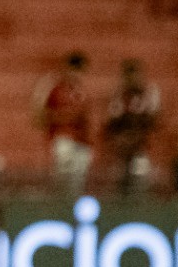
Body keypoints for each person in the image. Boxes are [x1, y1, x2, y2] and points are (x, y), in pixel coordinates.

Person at [32, 51, 93, 193]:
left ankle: (72, 209)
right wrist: (63, 117)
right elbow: (40, 116)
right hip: (63, 137)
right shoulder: (55, 88)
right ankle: (60, 207)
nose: (77, 75)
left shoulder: (81, 91)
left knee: (78, 183)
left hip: (81, 141)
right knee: (62, 179)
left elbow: (85, 118)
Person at [104, 59, 160, 196]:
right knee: (120, 183)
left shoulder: (150, 92)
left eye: (135, 74)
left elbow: (154, 119)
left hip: (142, 145)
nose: (132, 79)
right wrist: (123, 138)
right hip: (122, 146)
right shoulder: (119, 94)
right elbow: (112, 120)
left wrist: (138, 136)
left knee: (140, 181)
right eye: (128, 75)